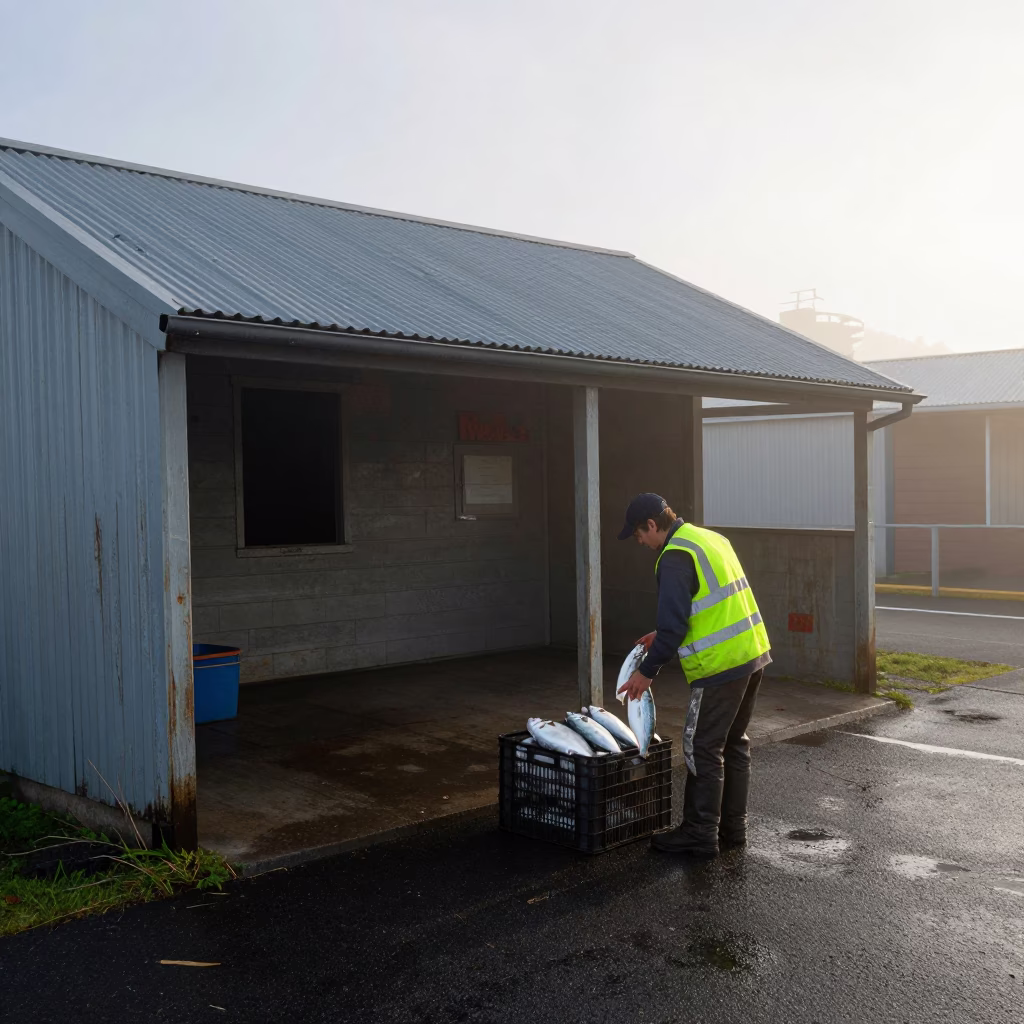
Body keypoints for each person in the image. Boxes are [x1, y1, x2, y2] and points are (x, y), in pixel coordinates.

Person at [616, 493, 771, 857]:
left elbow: (673, 625)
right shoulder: (710, 538)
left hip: (719, 666)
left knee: (702, 748)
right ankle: (733, 829)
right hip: (751, 654)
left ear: (653, 525)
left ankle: (700, 834)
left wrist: (646, 671)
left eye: (639, 534)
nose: (640, 542)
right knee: (734, 744)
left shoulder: (672, 558)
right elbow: (709, 602)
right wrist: (664, 633)